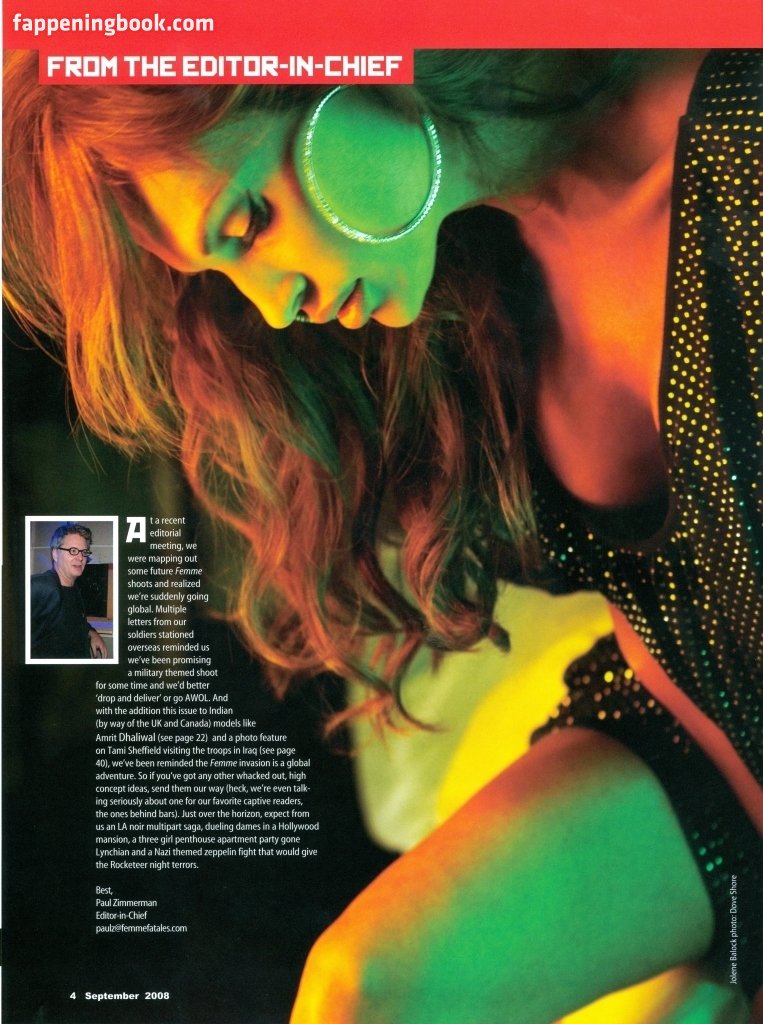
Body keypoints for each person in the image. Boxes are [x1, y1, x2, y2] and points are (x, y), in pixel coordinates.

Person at [3, 49, 760, 1020]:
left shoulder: (735, 136)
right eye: (224, 268)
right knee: (358, 992)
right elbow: (671, 605)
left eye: (249, 222)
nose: (272, 302)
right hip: (704, 725)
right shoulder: (480, 271)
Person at [30, 523, 108, 659]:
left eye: (84, 552)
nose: (80, 558)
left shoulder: (73, 588)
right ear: (55, 554)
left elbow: (75, 621)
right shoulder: (43, 586)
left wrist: (91, 632)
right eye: (73, 551)